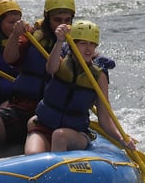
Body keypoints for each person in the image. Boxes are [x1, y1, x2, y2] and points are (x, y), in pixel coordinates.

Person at [0, 0, 76, 162]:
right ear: (47, 17)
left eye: (67, 20)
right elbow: (10, 58)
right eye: (57, 20)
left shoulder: (77, 44)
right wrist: (16, 34)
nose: (62, 24)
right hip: (22, 109)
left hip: (51, 116)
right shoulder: (33, 37)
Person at [25, 21, 136, 155]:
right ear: (73, 44)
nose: (88, 49)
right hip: (45, 125)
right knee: (32, 154)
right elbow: (50, 68)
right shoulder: (60, 63)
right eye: (83, 44)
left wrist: (121, 138)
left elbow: (105, 117)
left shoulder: (99, 76)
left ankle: (58, 172)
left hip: (75, 134)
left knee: (59, 136)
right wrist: (59, 41)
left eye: (92, 44)